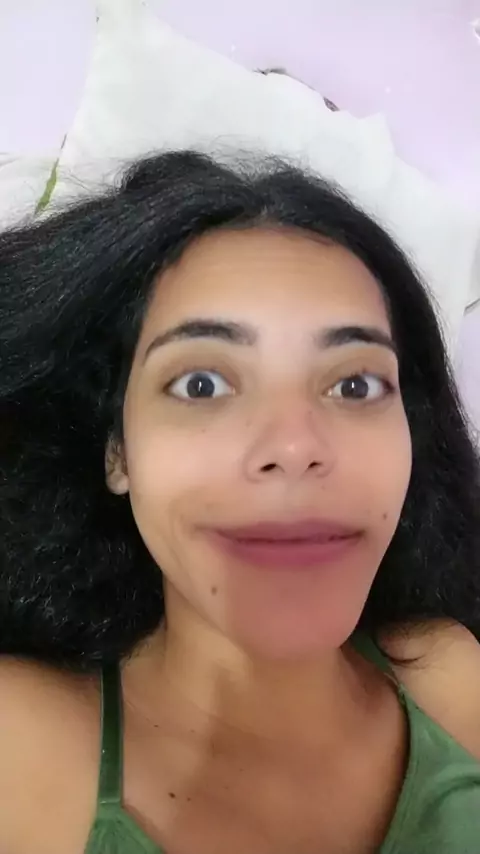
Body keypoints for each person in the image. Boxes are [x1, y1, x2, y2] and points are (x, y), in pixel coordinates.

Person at [1, 150, 480, 854]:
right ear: (118, 454)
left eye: (355, 385)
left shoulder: (450, 674)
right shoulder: (19, 750)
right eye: (201, 384)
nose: (294, 445)